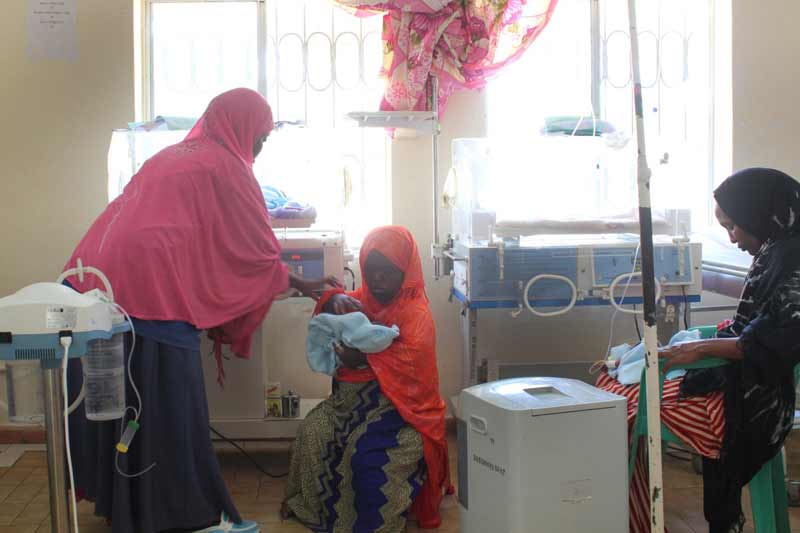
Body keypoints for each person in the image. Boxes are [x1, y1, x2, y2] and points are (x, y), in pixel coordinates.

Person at [62, 88, 337, 532]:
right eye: (260, 136)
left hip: (97, 279)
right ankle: (173, 512)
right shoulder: (227, 166)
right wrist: (306, 285)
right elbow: (257, 253)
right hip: (149, 287)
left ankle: (128, 506)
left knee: (126, 401)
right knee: (167, 398)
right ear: (239, 128)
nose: (260, 146)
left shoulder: (175, 155)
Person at [282, 225, 451, 532]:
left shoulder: (417, 315)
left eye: (388, 272)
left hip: (404, 414)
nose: (377, 279)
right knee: (313, 432)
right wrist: (333, 301)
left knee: (366, 459)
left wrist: (363, 358)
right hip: (355, 405)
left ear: (406, 270)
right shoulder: (365, 300)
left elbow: (408, 360)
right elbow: (337, 304)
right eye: (371, 271)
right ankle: (318, 510)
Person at [658, 168, 800, 532]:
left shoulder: (791, 260)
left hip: (762, 400)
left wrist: (701, 349)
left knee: (631, 406)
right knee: (629, 392)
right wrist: (700, 344)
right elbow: (753, 328)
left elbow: (775, 342)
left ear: (758, 215)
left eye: (733, 227)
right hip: (755, 382)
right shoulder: (776, 250)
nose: (732, 239)